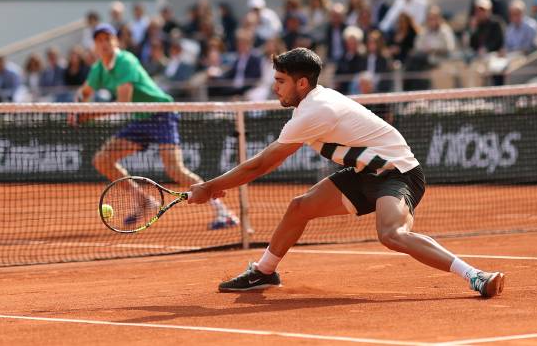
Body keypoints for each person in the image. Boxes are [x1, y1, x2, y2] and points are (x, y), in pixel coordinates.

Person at [188, 47, 505, 297]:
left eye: (280, 81)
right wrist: (213, 186)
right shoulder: (310, 106)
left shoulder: (315, 111)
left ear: (302, 83)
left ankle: (475, 276)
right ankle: (265, 271)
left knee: (391, 234)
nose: (275, 88)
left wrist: (208, 187)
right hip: (363, 174)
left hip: (398, 174)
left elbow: (262, 164)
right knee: (300, 207)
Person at [73, 23, 239, 230]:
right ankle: (143, 200)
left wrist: (87, 115)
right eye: (100, 40)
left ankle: (224, 212)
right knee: (102, 159)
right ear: (95, 45)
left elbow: (123, 104)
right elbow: (85, 92)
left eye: (108, 38)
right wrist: (77, 108)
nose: (104, 43)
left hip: (161, 113)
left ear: (116, 41)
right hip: (141, 118)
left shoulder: (126, 61)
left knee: (175, 169)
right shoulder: (99, 69)